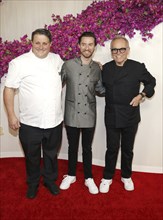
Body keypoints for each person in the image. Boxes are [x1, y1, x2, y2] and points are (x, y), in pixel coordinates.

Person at [3, 28, 64, 199]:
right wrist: (11, 116)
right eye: (37, 42)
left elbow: (70, 74)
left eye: (45, 43)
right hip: (30, 124)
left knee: (51, 155)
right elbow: (8, 90)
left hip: (55, 121)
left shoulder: (57, 60)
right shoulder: (19, 63)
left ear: (50, 45)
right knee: (32, 157)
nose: (41, 46)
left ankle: (50, 181)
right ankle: (33, 184)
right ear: (31, 43)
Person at [99, 35, 156, 193]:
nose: (118, 53)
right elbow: (99, 86)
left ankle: (126, 176)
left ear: (128, 50)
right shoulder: (106, 68)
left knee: (127, 149)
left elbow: (152, 82)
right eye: (114, 50)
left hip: (131, 116)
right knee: (111, 148)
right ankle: (107, 177)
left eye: (121, 49)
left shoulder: (138, 67)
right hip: (111, 115)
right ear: (111, 52)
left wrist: (142, 95)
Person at [59, 32, 105, 194]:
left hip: (89, 113)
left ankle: (89, 178)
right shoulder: (68, 65)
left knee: (87, 148)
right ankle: (71, 175)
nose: (87, 47)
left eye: (90, 44)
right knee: (72, 147)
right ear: (78, 46)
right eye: (84, 44)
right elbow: (56, 84)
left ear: (94, 47)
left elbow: (100, 90)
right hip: (71, 112)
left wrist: (111, 81)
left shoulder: (97, 68)